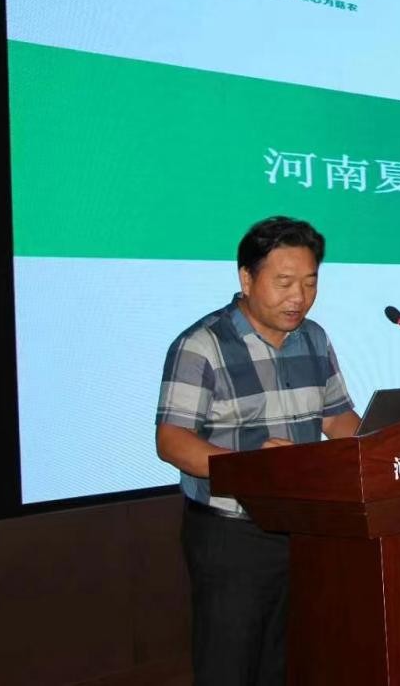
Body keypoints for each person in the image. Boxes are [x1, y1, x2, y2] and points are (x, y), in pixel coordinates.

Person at [155, 216, 359, 686]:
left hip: (305, 527)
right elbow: (172, 440)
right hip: (233, 534)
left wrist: (386, 446)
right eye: (284, 283)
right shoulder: (202, 345)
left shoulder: (314, 338)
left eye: (310, 283)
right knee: (230, 667)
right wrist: (254, 470)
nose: (299, 297)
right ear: (246, 279)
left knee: (290, 663)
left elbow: (336, 419)